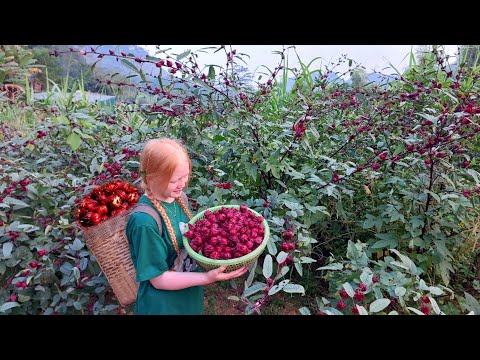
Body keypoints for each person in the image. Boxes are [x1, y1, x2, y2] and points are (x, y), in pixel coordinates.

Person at [126, 138, 247, 315]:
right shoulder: (145, 222)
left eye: (185, 176)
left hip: (188, 296)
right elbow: (158, 280)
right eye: (175, 180)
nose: (182, 184)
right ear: (151, 178)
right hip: (163, 306)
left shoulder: (178, 198)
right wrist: (206, 278)